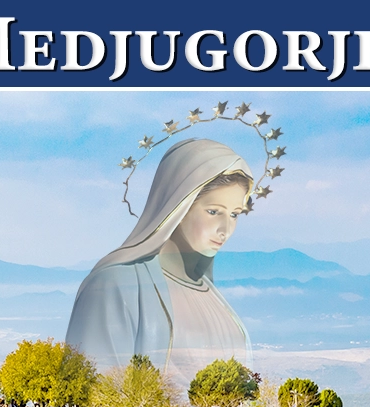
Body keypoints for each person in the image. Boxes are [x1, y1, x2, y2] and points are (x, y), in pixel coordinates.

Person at [65, 138, 255, 382]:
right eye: (213, 211)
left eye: (234, 215)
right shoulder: (114, 285)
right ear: (179, 204)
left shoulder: (213, 298)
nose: (225, 229)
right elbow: (94, 388)